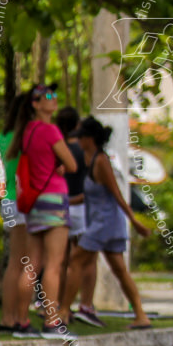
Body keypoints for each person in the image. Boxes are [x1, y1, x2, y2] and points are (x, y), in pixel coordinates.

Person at [57, 117, 152, 330]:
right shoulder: (90, 160)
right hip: (103, 222)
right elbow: (91, 195)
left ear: (90, 139)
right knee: (119, 269)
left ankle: (63, 310)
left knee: (75, 261)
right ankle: (141, 315)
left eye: (81, 137)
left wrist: (134, 221)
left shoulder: (101, 161)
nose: (78, 141)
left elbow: (116, 194)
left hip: (105, 223)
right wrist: (66, 201)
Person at [6, 83, 78, 339]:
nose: (53, 99)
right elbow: (71, 163)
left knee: (31, 265)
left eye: (54, 94)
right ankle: (51, 321)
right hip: (55, 200)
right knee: (54, 265)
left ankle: (22, 321)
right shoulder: (50, 130)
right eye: (47, 96)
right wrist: (60, 165)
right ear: (35, 104)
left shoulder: (27, 131)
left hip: (34, 202)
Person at [0, 92, 41, 337]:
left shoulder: (4, 136)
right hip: (24, 201)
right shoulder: (27, 137)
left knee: (14, 262)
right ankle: (17, 318)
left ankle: (7, 317)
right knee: (27, 263)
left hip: (8, 199)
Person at [55, 107, 102, 328]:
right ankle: (85, 304)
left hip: (61, 206)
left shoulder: (57, 147)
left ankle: (58, 305)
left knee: (62, 260)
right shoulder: (85, 151)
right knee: (86, 260)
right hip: (82, 208)